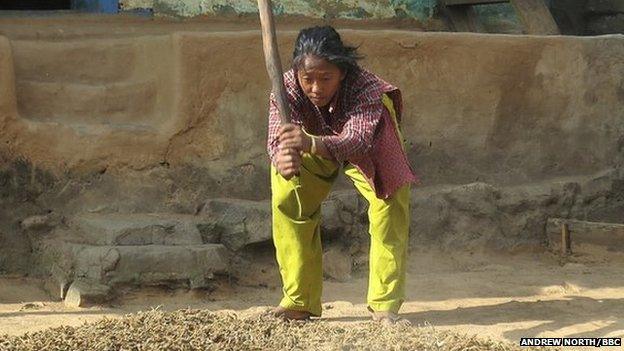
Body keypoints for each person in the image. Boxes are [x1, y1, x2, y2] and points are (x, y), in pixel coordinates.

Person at [267, 25, 418, 324]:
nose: (315, 88)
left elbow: (358, 140)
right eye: (307, 79)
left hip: (369, 143)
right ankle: (299, 300)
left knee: (389, 206)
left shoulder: (367, 88)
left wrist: (310, 142)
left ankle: (385, 304)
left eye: (325, 79)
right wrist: (281, 156)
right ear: (297, 73)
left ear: (343, 72)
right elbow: (276, 137)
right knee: (287, 194)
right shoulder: (284, 90)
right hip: (313, 142)